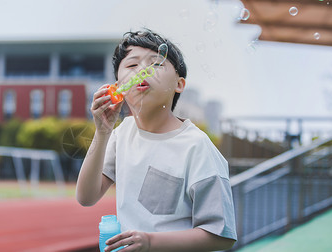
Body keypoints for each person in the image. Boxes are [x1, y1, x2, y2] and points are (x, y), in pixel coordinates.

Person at [76, 29, 237, 252]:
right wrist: (102, 131)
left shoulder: (196, 146)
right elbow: (86, 196)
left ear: (179, 84)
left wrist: (151, 243)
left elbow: (222, 235)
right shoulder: (121, 135)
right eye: (132, 66)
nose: (142, 70)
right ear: (118, 86)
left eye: (156, 64)